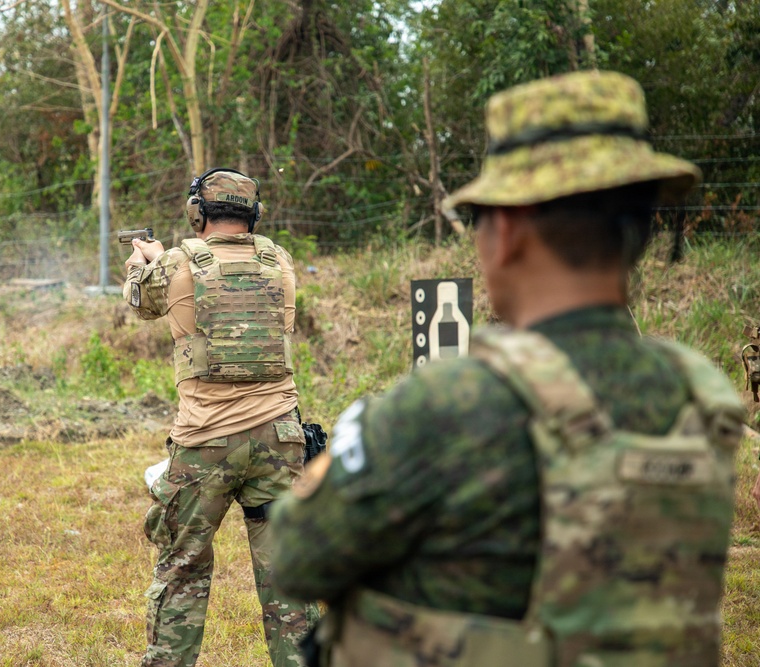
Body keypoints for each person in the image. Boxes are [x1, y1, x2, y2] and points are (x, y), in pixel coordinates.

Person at [269, 71, 745, 667]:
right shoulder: (699, 393)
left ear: (509, 232)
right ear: (644, 230)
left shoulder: (450, 403)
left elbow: (294, 557)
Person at [123, 168, 319, 667]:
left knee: (183, 570)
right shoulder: (281, 261)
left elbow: (141, 302)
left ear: (197, 213)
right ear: (253, 215)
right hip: (280, 436)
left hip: (205, 441)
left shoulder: (176, 263)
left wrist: (140, 263)